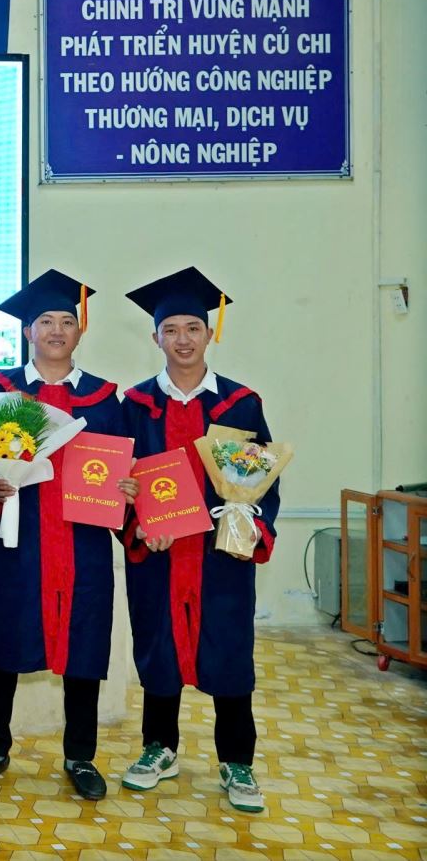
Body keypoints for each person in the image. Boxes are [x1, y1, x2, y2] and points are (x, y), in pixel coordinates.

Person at [0, 270, 136, 801]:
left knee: (84, 646)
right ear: (27, 331)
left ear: (80, 330)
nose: (57, 330)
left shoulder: (105, 399)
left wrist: (127, 488)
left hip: (82, 544)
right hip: (18, 543)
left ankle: (81, 755)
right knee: (4, 643)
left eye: (67, 321)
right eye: (45, 321)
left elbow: (123, 466)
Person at [119, 268, 279, 814]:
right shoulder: (135, 404)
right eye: (171, 330)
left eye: (192, 328)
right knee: (158, 645)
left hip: (220, 555)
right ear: (155, 337)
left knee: (228, 649)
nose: (182, 339)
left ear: (210, 333)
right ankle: (158, 748)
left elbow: (263, 479)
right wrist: (137, 519)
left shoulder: (241, 403)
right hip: (160, 553)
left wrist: (249, 523)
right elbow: (122, 481)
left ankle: (237, 760)